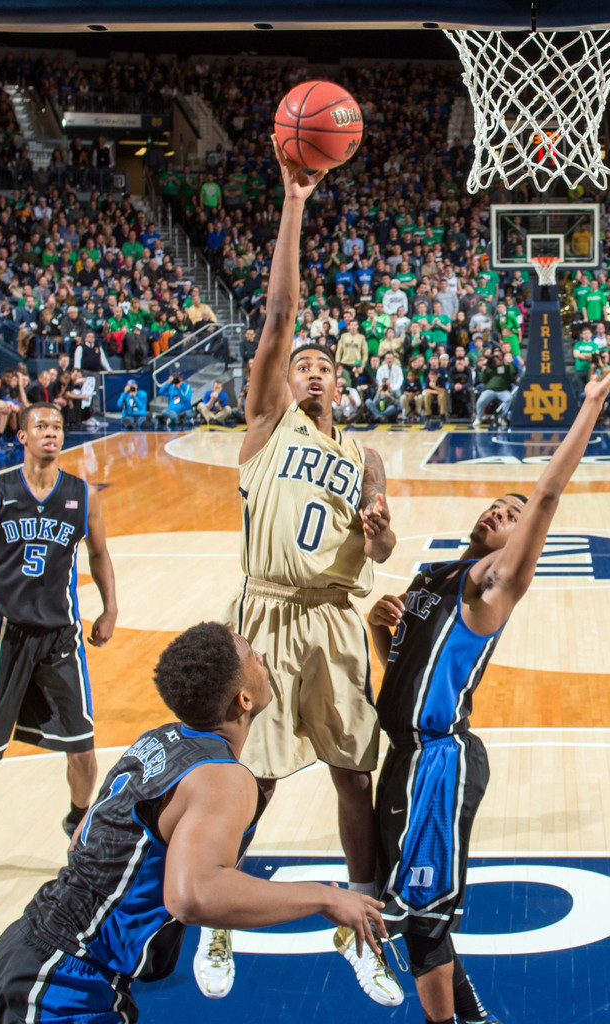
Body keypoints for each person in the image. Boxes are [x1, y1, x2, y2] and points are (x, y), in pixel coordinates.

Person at [362, 354, 610, 1021]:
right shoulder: (431, 579)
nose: (500, 510)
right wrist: (378, 628)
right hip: (399, 754)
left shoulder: (491, 587)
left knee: (420, 918)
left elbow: (544, 496)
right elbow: (400, 671)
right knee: (416, 909)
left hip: (438, 760)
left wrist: (591, 405)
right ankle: (473, 1015)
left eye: (510, 514)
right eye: (495, 503)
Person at [197, 140, 403, 1006]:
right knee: (260, 778)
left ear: (342, 385)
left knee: (355, 775)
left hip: (333, 620)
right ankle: (217, 918)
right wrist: (294, 204)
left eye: (324, 366)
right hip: (268, 617)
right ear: (284, 381)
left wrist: (383, 534)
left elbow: (384, 554)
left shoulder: (366, 456)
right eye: (299, 364)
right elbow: (279, 312)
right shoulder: (264, 428)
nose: (310, 368)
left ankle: (358, 930)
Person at [0, 621, 387, 1024]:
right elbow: (192, 896)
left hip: (26, 949)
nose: (262, 657)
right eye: (252, 655)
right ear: (243, 699)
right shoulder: (223, 777)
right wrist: (326, 898)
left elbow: (81, 837)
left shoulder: (157, 740)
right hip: (63, 984)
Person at [0, 403, 117, 894]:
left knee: (83, 747)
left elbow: (99, 553)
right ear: (22, 435)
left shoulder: (82, 495)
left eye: (57, 427)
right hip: (5, 636)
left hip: (60, 637)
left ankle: (79, 824)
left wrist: (110, 609)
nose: (51, 433)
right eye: (42, 426)